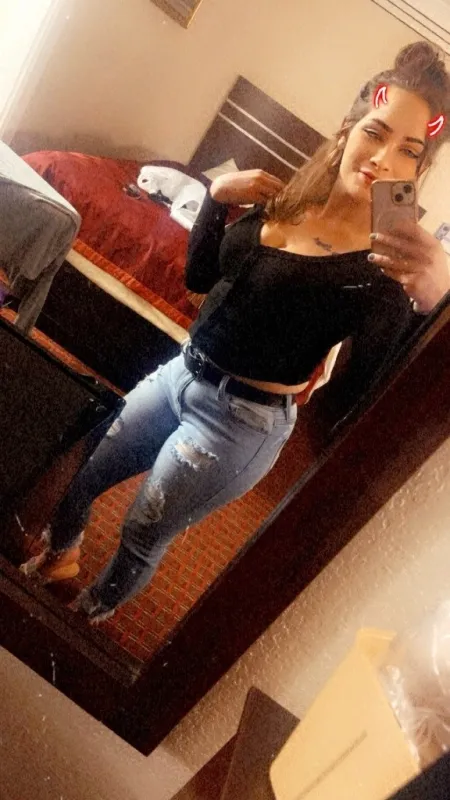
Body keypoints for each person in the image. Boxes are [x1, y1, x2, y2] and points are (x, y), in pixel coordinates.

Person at [20, 41, 450, 623]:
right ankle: (61, 557)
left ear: (418, 171)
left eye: (409, 152)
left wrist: (431, 305)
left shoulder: (384, 268)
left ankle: (86, 617)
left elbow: (370, 397)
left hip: (239, 424)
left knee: (142, 530)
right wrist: (215, 200)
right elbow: (201, 277)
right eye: (375, 132)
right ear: (348, 130)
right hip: (180, 371)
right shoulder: (290, 199)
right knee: (84, 472)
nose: (382, 159)